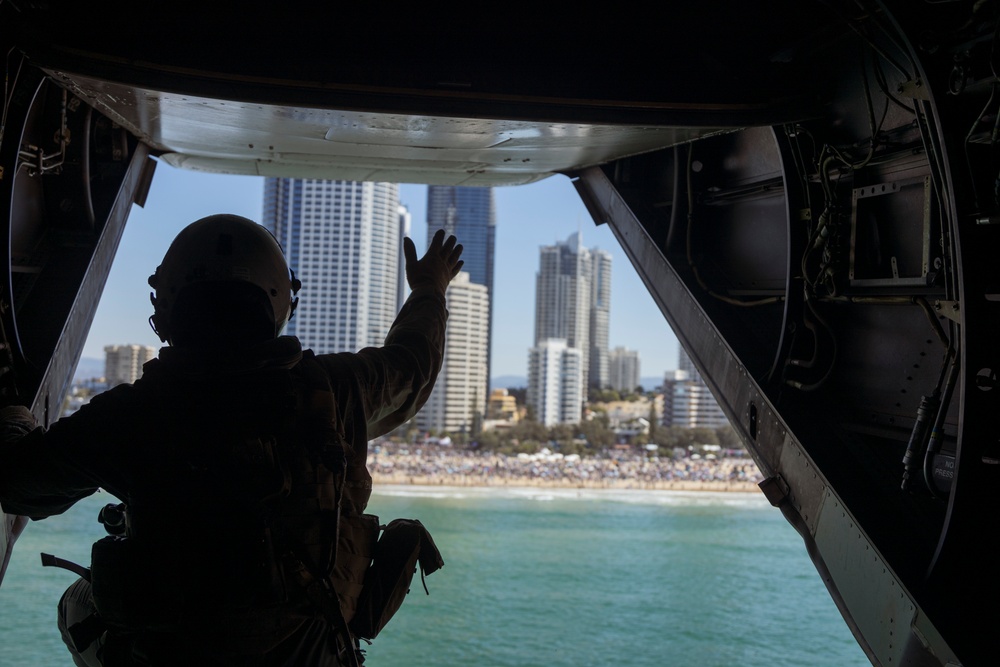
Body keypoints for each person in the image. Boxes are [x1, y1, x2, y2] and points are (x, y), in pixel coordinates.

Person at [0, 214, 463, 666]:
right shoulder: (339, 389)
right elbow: (412, 363)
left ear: (166, 306)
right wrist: (428, 287)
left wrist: (14, 416)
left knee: (78, 604)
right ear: (281, 304)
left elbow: (23, 482)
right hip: (321, 654)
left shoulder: (132, 413)